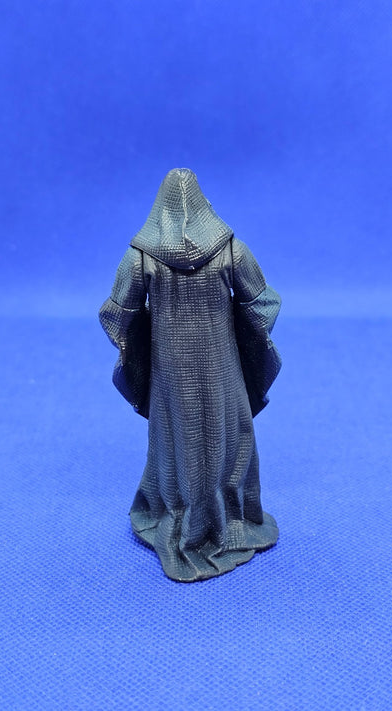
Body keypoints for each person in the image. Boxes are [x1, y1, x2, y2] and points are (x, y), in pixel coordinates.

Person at [99, 168, 282, 582]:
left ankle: (181, 517)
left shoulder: (140, 258)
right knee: (228, 434)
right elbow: (262, 303)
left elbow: (117, 315)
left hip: (171, 373)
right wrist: (247, 337)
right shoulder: (231, 251)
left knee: (175, 440)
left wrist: (139, 345)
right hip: (222, 367)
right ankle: (230, 519)